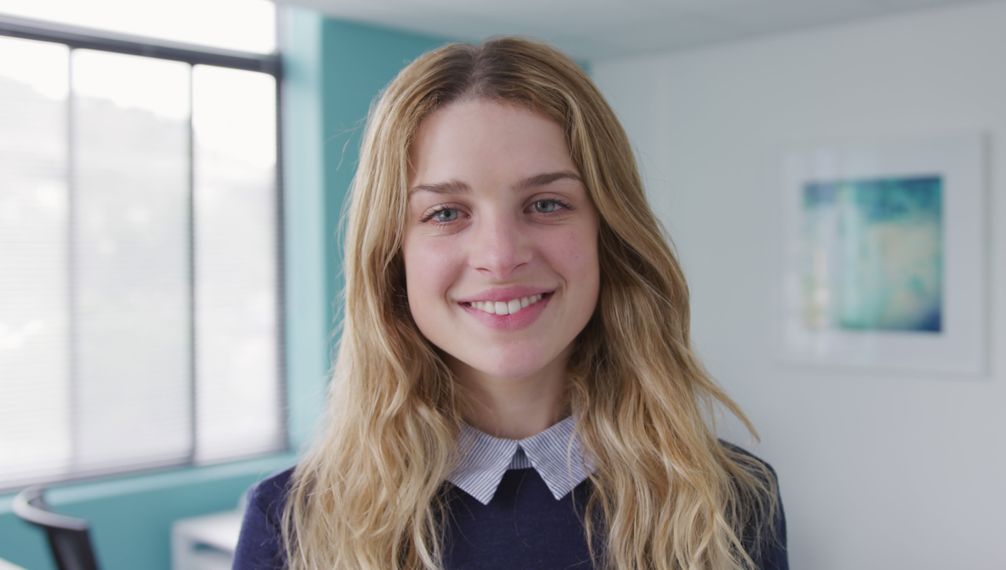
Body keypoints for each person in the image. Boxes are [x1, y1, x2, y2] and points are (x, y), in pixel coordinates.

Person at [233, 37, 788, 570]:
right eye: (446, 213)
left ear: (610, 235)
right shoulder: (293, 520)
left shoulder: (731, 498)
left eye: (546, 203)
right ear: (391, 257)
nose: (500, 257)